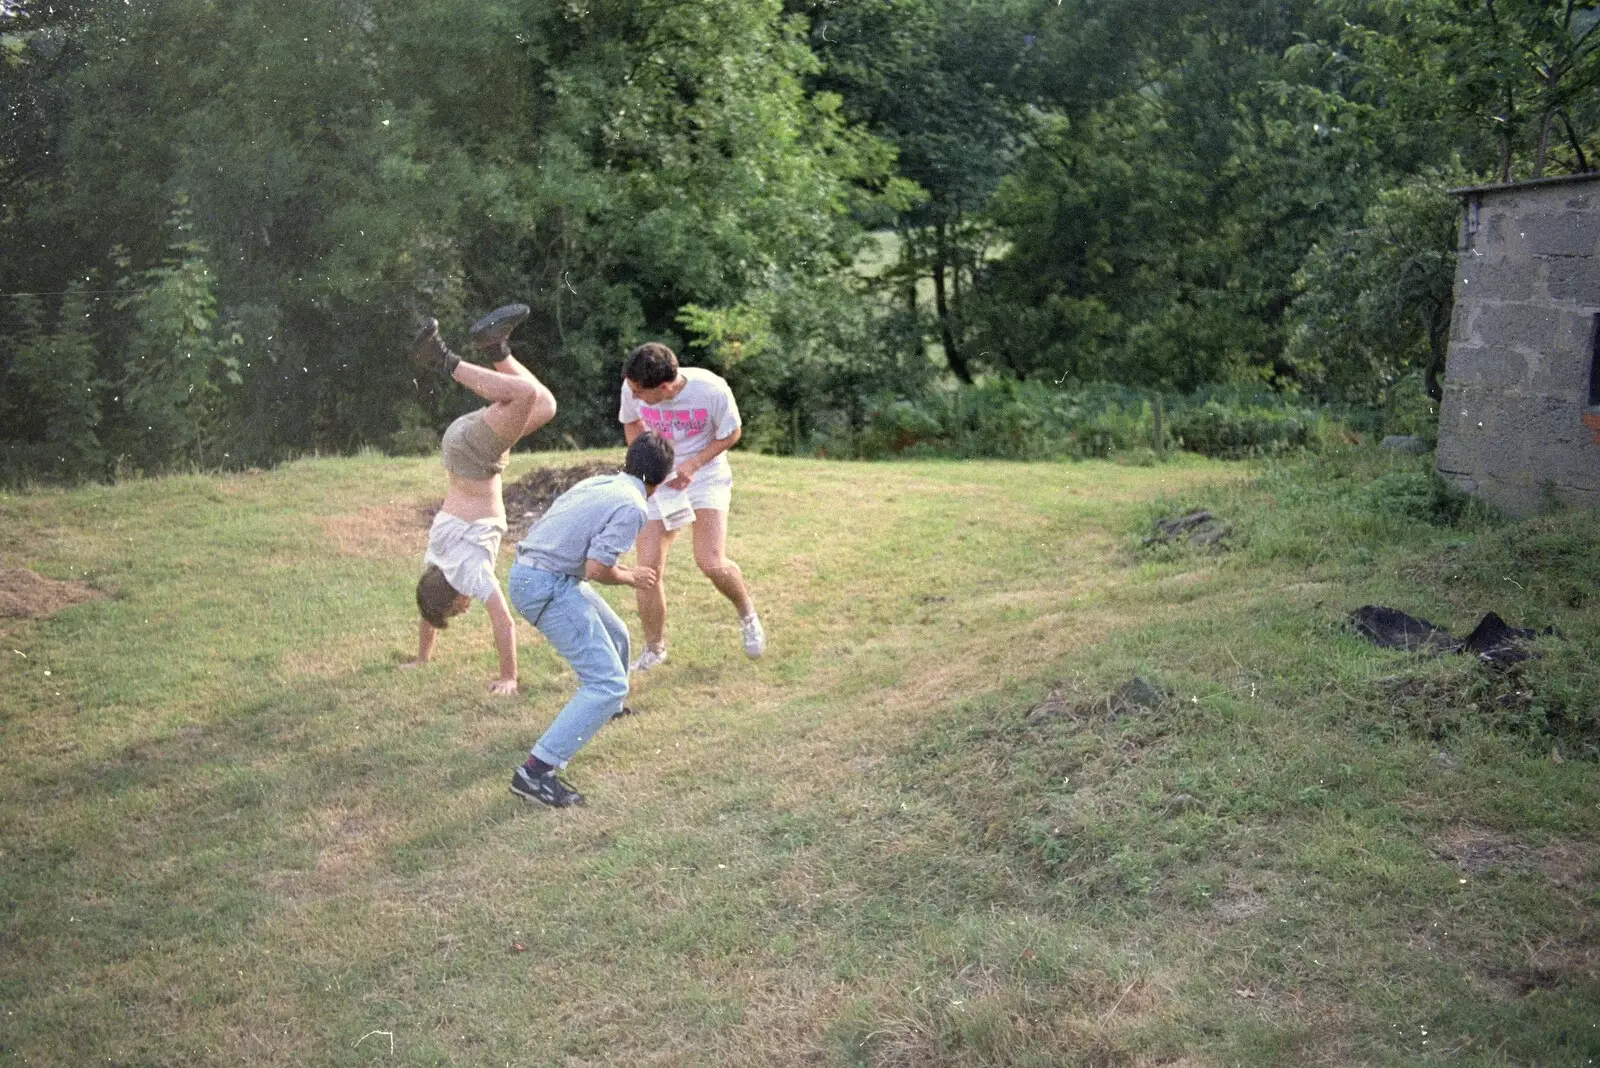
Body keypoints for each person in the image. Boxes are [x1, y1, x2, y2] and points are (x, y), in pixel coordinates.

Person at [506, 430, 675, 807]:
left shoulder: (601, 482)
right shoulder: (634, 506)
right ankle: (535, 773)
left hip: (538, 571)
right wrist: (633, 577)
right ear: (660, 481)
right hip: (546, 585)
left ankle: (605, 711)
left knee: (617, 636)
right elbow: (597, 568)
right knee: (608, 682)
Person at [405, 304, 557, 695]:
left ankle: (441, 357)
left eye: (456, 610)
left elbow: (503, 621)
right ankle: (496, 346)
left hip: (475, 453)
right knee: (543, 405)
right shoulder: (435, 563)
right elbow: (428, 606)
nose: (462, 611)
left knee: (523, 395)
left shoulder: (469, 575)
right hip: (463, 447)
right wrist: (422, 658)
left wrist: (509, 677)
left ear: (455, 595)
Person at [618, 342, 764, 672]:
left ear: (666, 387)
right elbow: (631, 424)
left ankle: (746, 614)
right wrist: (649, 463)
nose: (635, 397)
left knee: (710, 561)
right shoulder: (633, 384)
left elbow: (732, 433)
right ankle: (654, 649)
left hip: (705, 474)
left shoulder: (711, 389)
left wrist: (694, 464)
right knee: (647, 570)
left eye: (641, 393)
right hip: (661, 477)